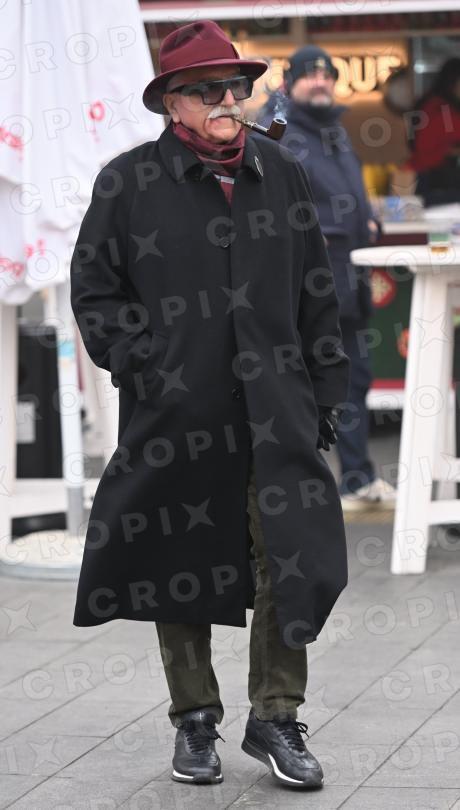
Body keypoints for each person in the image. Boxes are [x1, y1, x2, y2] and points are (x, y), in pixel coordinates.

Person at [70, 21, 349, 790]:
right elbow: (96, 292)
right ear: (171, 103)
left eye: (238, 86)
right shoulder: (126, 183)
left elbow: (315, 288)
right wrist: (146, 366)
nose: (229, 100)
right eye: (208, 89)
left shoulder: (281, 172)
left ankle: (276, 716)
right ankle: (194, 720)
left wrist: (325, 390)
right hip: (178, 412)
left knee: (292, 557)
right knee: (179, 564)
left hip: (277, 407)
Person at [258, 45, 397, 510]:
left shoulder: (334, 129)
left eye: (327, 75)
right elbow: (270, 207)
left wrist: (367, 221)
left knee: (354, 379)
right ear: (290, 82)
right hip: (306, 284)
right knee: (302, 387)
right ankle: (295, 492)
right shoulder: (279, 131)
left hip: (349, 280)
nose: (320, 82)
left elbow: (345, 194)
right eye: (309, 75)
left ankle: (356, 478)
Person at [405, 57, 460, 206]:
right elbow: (428, 147)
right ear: (453, 81)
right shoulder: (441, 109)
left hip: (425, 176)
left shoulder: (431, 103)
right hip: (435, 180)